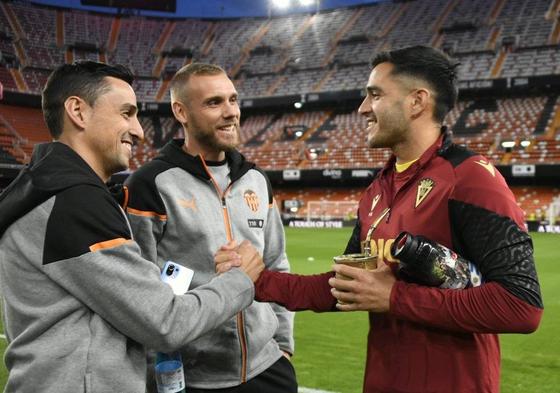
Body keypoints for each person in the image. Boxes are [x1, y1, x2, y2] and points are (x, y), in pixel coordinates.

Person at [216, 46, 544, 393]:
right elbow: (342, 288)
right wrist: (256, 280)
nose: (362, 108)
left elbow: (520, 305)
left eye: (375, 95)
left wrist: (394, 298)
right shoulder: (377, 190)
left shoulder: (470, 178)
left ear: (417, 101)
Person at [0, 61, 263, 393]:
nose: (139, 131)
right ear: (78, 112)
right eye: (126, 113)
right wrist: (241, 280)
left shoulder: (50, 189)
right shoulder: (72, 201)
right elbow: (165, 322)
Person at [124, 63, 297, 393]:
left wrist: (283, 346)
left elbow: (277, 263)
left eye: (233, 100)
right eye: (214, 103)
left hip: (267, 367)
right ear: (181, 111)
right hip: (192, 379)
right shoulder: (150, 184)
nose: (231, 112)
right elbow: (137, 291)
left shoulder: (256, 181)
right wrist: (155, 372)